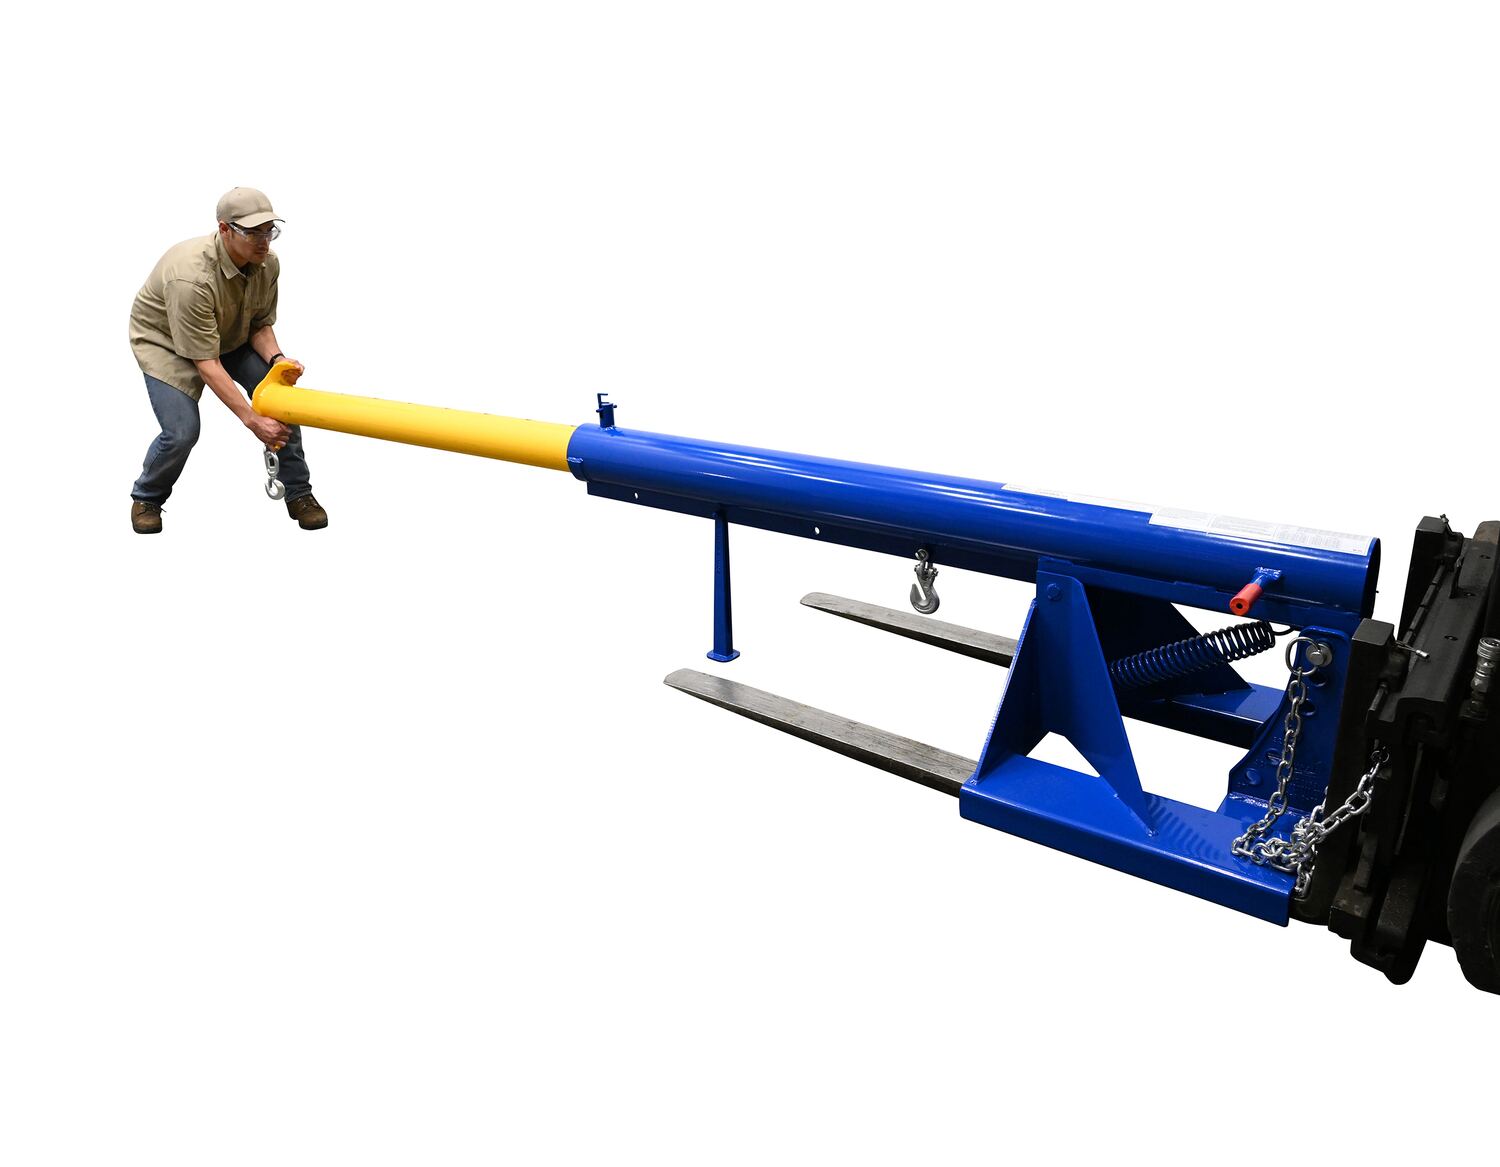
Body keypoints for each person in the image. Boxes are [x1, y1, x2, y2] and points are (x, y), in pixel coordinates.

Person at [127, 187, 328, 534]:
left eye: (269, 230)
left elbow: (259, 324)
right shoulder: (190, 277)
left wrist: (278, 360)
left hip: (226, 333)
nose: (264, 241)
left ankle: (299, 493)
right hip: (166, 343)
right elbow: (207, 363)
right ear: (224, 229)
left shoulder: (266, 263)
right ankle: (147, 497)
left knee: (283, 404)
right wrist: (252, 420)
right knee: (182, 432)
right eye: (253, 232)